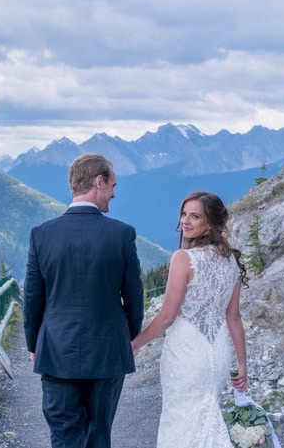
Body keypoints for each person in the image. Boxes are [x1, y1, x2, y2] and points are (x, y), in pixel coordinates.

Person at [23, 153, 144, 448]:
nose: (114, 193)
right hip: (107, 351)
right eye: (113, 185)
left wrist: (32, 345)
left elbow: (32, 297)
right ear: (98, 182)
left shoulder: (42, 235)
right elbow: (134, 297)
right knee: (99, 434)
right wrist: (127, 339)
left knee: (64, 435)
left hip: (56, 352)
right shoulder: (122, 234)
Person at [131, 191, 249, 447]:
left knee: (180, 420)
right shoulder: (232, 261)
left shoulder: (183, 258)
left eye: (194, 216)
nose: (185, 221)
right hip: (218, 350)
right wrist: (242, 364)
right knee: (206, 417)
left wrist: (137, 343)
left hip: (186, 354)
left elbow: (166, 317)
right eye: (184, 214)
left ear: (211, 223)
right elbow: (234, 317)